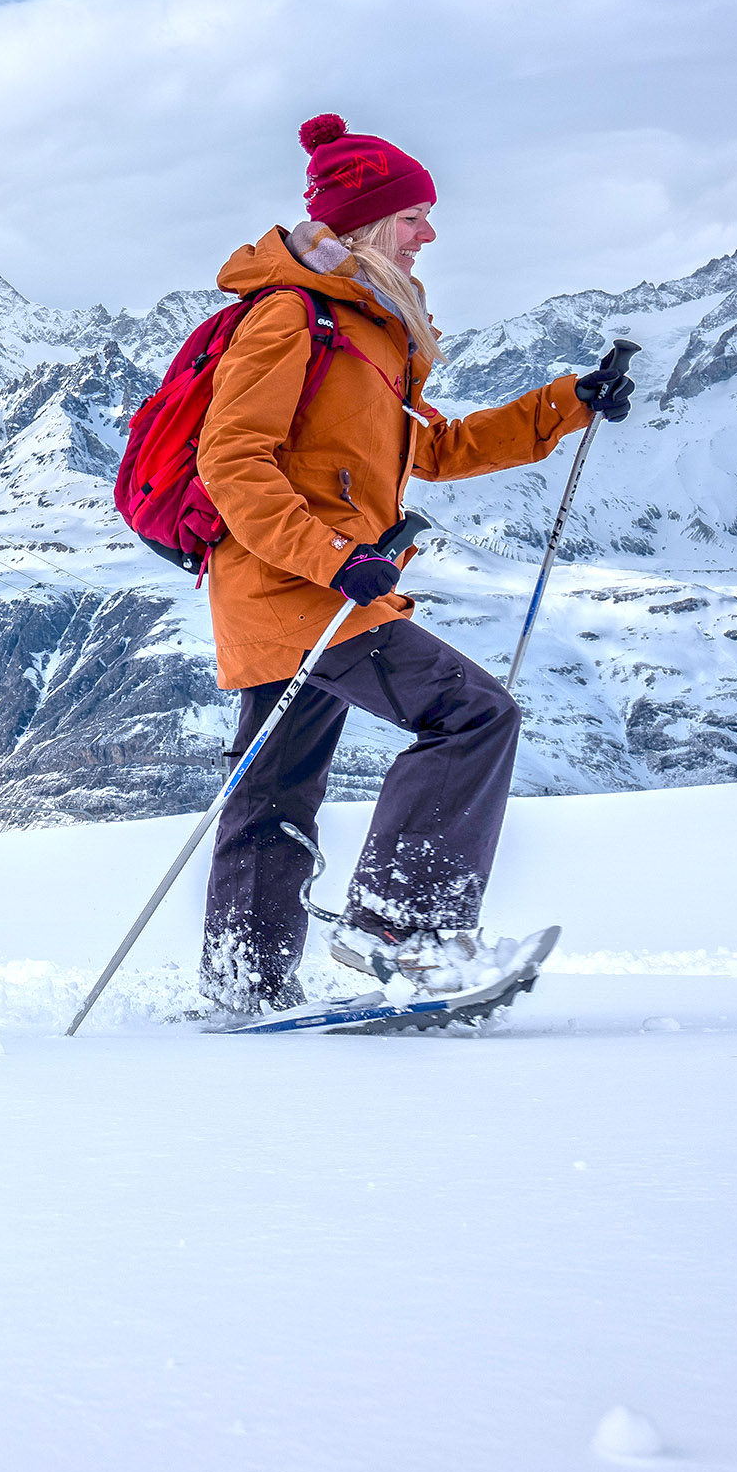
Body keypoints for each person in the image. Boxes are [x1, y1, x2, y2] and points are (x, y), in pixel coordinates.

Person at [193, 113, 636, 1013]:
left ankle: (242, 987)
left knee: (274, 788)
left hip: (318, 587)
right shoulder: (292, 317)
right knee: (472, 716)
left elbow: (430, 449)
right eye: (412, 217)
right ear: (363, 225)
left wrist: (567, 404)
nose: (428, 233)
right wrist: (333, 556)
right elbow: (229, 457)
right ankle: (404, 932)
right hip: (298, 588)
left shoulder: (368, 328)